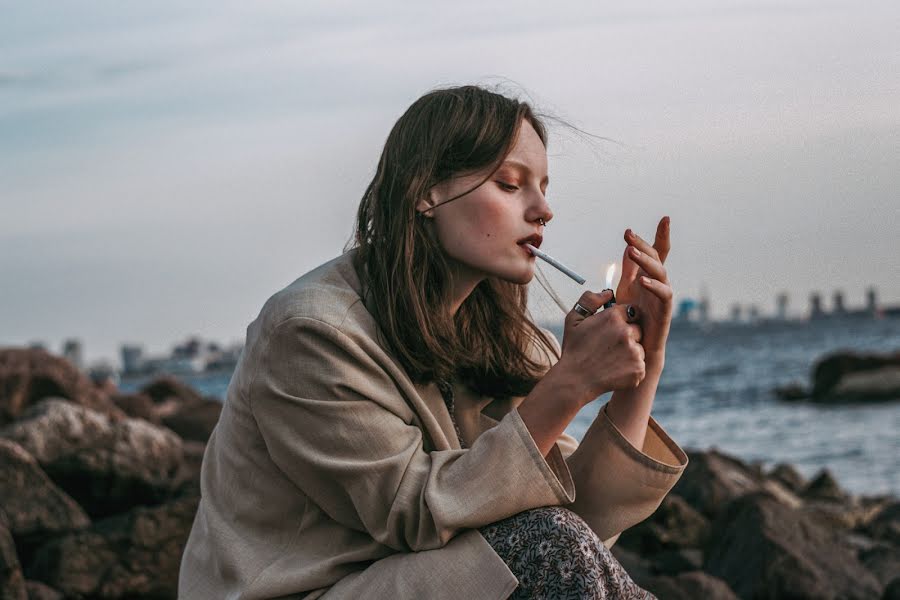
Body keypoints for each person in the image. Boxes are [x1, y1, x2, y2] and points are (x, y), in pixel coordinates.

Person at [179, 85, 688, 599]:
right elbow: (413, 510)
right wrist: (572, 381)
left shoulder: (497, 335)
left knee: (555, 543)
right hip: (312, 591)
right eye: (510, 185)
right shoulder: (311, 333)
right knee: (545, 548)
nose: (543, 210)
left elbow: (580, 513)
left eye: (544, 187)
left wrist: (643, 363)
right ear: (427, 192)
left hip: (421, 580)